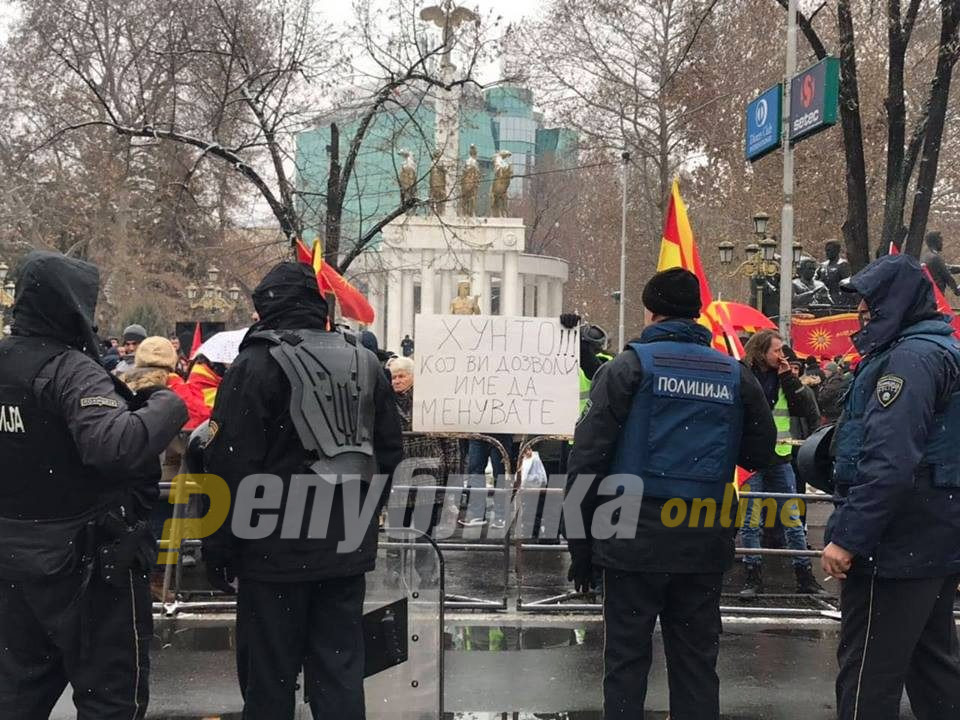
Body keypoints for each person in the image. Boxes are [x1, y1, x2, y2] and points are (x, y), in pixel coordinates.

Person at [563, 268, 777, 719]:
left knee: (626, 664)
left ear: (650, 311)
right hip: (703, 537)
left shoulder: (627, 368)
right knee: (696, 665)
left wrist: (580, 545)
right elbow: (760, 451)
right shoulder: (734, 374)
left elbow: (587, 459)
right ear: (696, 312)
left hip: (630, 538)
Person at [202, 261, 403, 720]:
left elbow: (230, 465)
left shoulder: (255, 365)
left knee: (269, 679)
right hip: (342, 548)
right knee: (340, 674)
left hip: (271, 552)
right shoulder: (366, 362)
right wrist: (360, 518)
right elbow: (389, 453)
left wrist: (218, 546)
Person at [0, 251, 187, 719]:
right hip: (87, 568)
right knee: (111, 701)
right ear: (73, 304)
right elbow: (114, 446)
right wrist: (165, 405)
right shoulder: (70, 369)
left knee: (16, 696)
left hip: (14, 564)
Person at [821, 253, 960, 719]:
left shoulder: (908, 360)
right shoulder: (939, 350)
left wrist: (849, 537)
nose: (861, 312)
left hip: (895, 543)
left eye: (869, 302)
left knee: (867, 678)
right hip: (933, 534)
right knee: (933, 669)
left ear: (894, 302)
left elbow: (890, 461)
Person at [739, 330, 823, 596]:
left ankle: (804, 576)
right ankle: (752, 576)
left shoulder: (784, 377)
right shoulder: (744, 375)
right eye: (776, 350)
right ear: (761, 351)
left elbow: (807, 409)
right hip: (751, 460)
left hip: (780, 458)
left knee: (792, 520)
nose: (781, 355)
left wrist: (789, 378)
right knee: (751, 523)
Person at [385, 356, 460, 585]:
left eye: (402, 376)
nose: (397, 381)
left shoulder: (430, 401)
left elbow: (450, 442)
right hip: (398, 475)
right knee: (396, 527)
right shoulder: (384, 401)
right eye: (393, 377)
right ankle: (393, 573)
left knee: (424, 528)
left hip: (428, 474)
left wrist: (452, 478)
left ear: (413, 377)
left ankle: (427, 574)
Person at [920, 230, 960, 296]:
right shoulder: (935, 258)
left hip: (928, 296)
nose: (942, 243)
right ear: (936, 241)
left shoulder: (925, 256)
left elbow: (946, 268)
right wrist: (956, 290)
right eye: (941, 240)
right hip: (936, 297)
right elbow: (948, 277)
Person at [817, 239, 853, 306]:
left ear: (837, 251)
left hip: (837, 299)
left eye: (829, 250)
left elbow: (846, 283)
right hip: (823, 299)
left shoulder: (842, 264)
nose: (827, 252)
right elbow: (814, 280)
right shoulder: (822, 265)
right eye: (826, 250)